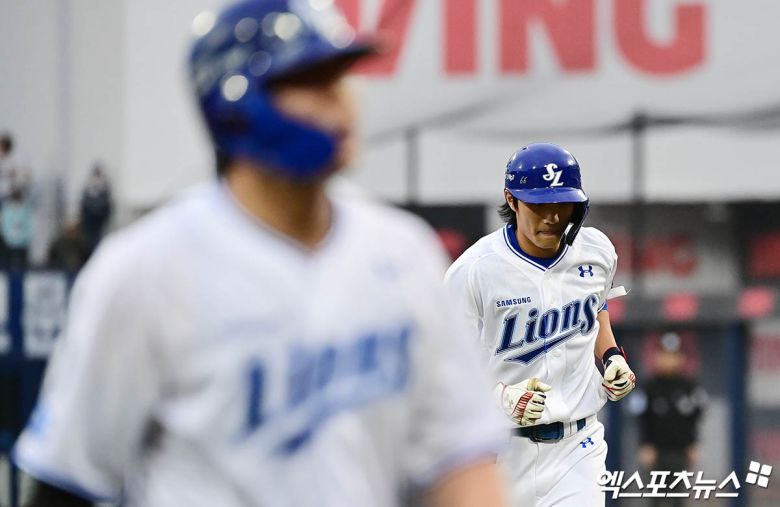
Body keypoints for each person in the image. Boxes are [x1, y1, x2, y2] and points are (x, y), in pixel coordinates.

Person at [11, 1, 509, 507]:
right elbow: (64, 480)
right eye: (312, 81)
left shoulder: (402, 252)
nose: (343, 99)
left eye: (340, 77)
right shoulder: (146, 270)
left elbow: (458, 458)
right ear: (236, 105)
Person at [444, 143, 637, 507]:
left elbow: (597, 305)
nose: (553, 216)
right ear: (512, 200)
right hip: (498, 451)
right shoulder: (473, 271)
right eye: (539, 205)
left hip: (578, 447)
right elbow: (445, 367)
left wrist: (612, 356)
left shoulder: (597, 250)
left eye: (562, 203)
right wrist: (499, 397)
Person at [637, 332, 707, 507]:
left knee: (678, 497)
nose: (669, 360)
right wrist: (645, 444)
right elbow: (641, 418)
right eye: (664, 355)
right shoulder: (649, 388)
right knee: (655, 496)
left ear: (681, 358)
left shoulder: (689, 387)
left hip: (679, 451)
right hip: (656, 450)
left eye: (673, 355)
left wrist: (693, 444)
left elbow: (695, 417)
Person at [79, 163, 113, 255]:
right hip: (90, 219)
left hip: (99, 220)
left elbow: (107, 205)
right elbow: (84, 204)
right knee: (90, 240)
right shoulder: (89, 187)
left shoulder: (104, 187)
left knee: (97, 239)